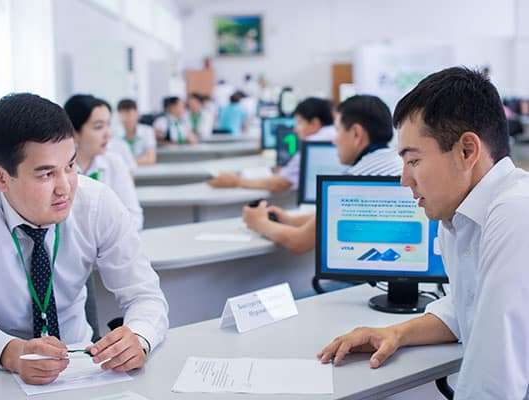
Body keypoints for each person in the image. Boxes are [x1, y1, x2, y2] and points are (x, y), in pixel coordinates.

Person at [317, 67, 529, 399]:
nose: (404, 180)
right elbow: (465, 308)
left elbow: (493, 382)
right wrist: (396, 333)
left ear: (467, 151)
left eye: (413, 161)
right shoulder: (458, 218)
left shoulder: (516, 213)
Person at [0, 93, 168, 385]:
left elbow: (145, 295)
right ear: (0, 178)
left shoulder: (96, 203)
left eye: (70, 166)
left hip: (83, 366)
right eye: (46, 175)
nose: (65, 188)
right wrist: (12, 352)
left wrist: (139, 337)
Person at [243, 95, 402, 253]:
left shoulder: (355, 180)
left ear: (356, 134)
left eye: (338, 130)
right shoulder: (395, 162)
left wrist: (259, 223)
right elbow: (329, 217)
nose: (334, 140)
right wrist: (289, 219)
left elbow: (299, 241)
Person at [209, 97, 335, 192]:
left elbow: (281, 183)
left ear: (314, 123)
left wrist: (236, 181)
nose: (295, 129)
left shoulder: (313, 144)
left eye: (299, 122)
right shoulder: (332, 134)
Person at [64, 94, 143, 229]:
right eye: (99, 126)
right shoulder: (60, 169)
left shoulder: (114, 163)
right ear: (74, 133)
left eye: (108, 125)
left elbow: (134, 218)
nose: (108, 134)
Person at [110, 98, 157, 166]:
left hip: (143, 170)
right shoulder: (113, 133)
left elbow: (151, 159)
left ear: (137, 114)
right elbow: (112, 160)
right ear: (118, 115)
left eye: (130, 114)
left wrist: (124, 162)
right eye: (123, 115)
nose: (127, 119)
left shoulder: (147, 131)